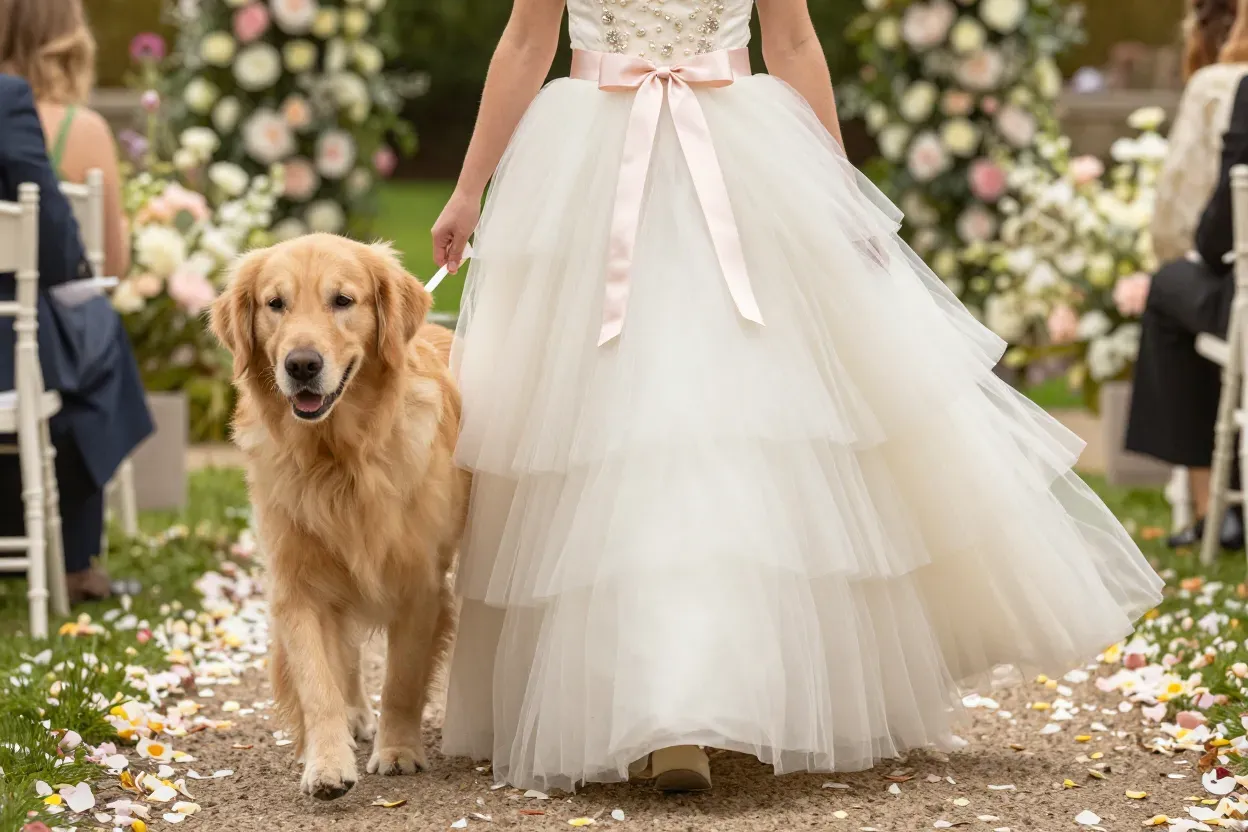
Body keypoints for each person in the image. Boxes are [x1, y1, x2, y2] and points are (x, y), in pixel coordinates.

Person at [433, 0, 1165, 793]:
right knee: (613, 423)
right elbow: (525, 37)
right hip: (591, 168)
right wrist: (470, 191)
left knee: (745, 418)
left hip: (743, 161)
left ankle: (722, 690)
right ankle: (659, 706)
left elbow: (791, 37)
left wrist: (837, 196)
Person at [0, 65, 152, 600]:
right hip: (5, 363)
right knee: (92, 334)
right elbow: (48, 224)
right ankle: (73, 562)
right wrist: (81, 284)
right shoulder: (5, 98)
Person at [1126, 0, 1248, 550]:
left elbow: (1216, 231)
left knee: (1170, 288)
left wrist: (1200, 249)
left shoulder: (1233, 87)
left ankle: (1213, 509)